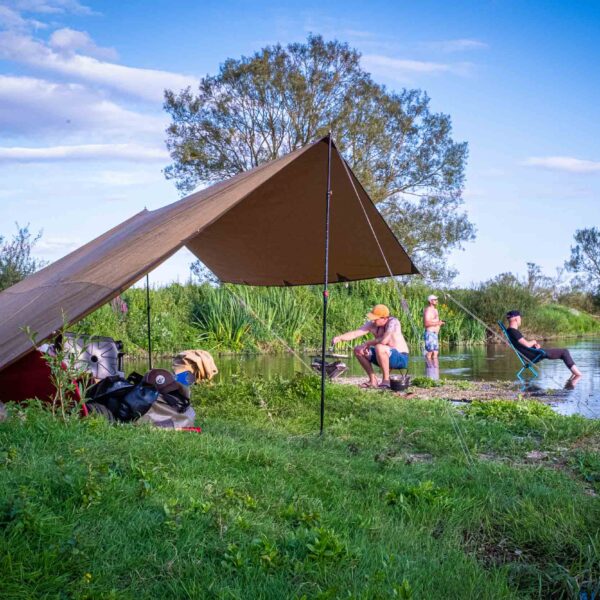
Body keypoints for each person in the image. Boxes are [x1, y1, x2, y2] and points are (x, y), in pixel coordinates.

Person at [332, 304, 409, 389]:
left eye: (375, 318)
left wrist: (369, 343)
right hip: (383, 354)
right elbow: (355, 333)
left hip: (400, 357)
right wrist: (339, 338)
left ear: (384, 318)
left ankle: (386, 381)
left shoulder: (393, 322)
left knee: (379, 347)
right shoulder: (373, 324)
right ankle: (373, 381)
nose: (372, 320)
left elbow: (384, 341)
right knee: (358, 350)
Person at [505, 310, 582, 379]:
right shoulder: (513, 331)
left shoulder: (509, 331)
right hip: (532, 355)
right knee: (564, 352)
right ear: (516, 319)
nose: (521, 319)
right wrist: (534, 342)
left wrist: (534, 346)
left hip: (531, 352)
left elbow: (523, 346)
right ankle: (578, 375)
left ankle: (576, 375)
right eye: (520, 317)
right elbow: (527, 345)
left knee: (563, 352)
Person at [423, 294, 445, 367]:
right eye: (435, 299)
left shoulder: (435, 310)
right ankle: (429, 372)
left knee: (435, 353)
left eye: (436, 299)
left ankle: (435, 372)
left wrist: (440, 323)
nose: (436, 301)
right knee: (430, 353)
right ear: (430, 301)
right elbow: (426, 323)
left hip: (435, 335)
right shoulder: (428, 310)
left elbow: (435, 321)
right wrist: (438, 323)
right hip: (430, 334)